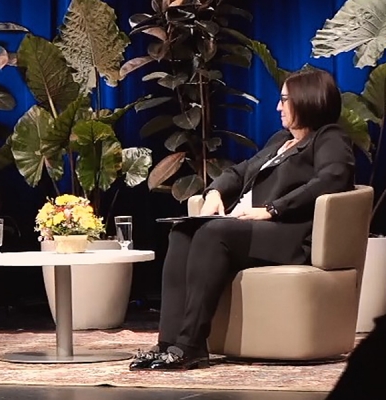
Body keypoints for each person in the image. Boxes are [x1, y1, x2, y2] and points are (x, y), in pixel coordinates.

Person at [130, 69, 355, 371]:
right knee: (182, 230)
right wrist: (213, 194)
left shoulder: (329, 137)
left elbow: (332, 178)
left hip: (288, 234)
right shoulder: (280, 140)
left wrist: (273, 209)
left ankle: (191, 345)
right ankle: (167, 344)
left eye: (285, 100)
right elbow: (237, 172)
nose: (278, 107)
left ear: (307, 101)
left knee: (215, 233)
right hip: (249, 228)